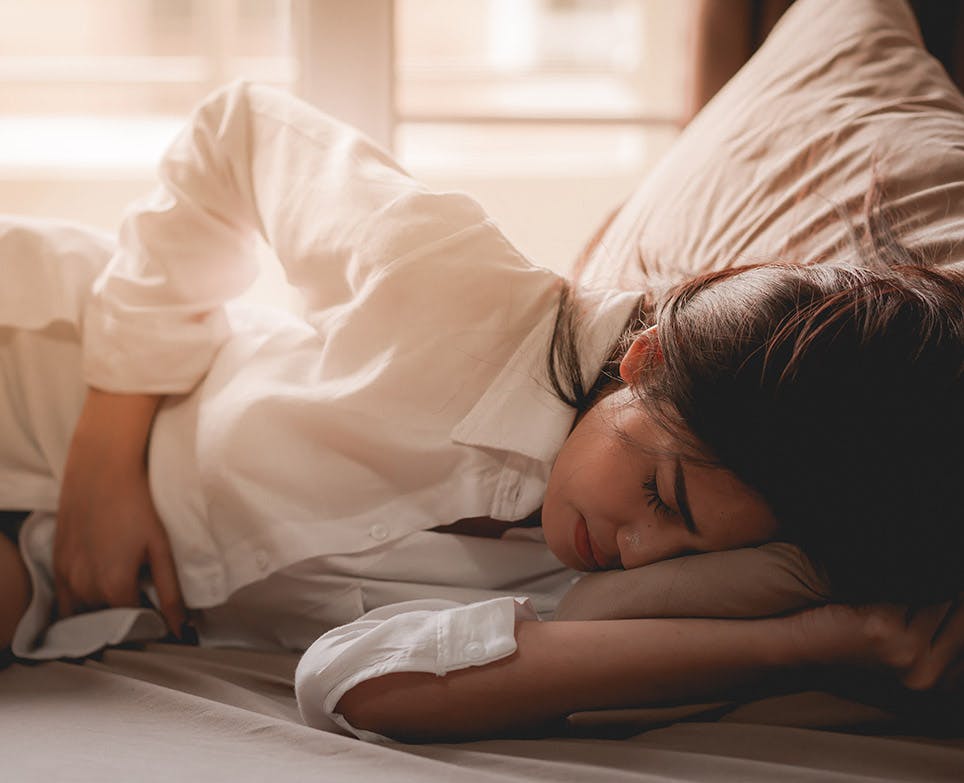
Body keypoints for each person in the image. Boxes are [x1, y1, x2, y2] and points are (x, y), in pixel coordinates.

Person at [0, 82, 961, 741]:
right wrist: (107, 445)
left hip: (41, 580)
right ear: (645, 361)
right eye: (662, 497)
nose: (641, 551)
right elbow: (236, 135)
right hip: (38, 376)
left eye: (693, 548)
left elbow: (356, 681)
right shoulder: (459, 288)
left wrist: (808, 640)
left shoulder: (632, 574)